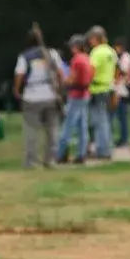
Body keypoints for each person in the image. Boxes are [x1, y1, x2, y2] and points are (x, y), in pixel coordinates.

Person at [14, 31, 65, 169]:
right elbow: (60, 73)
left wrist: (17, 91)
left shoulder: (25, 56)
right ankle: (50, 160)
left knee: (31, 131)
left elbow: (19, 75)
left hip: (31, 96)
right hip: (50, 95)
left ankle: (31, 162)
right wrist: (59, 90)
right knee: (52, 130)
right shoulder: (52, 54)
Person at [56, 34, 94, 165]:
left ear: (76, 47)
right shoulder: (87, 58)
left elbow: (71, 79)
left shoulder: (76, 60)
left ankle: (60, 154)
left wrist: (62, 81)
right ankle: (81, 154)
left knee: (68, 125)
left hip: (76, 94)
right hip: (86, 94)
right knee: (82, 126)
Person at [85, 25, 117, 161]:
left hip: (96, 88)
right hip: (107, 88)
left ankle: (103, 150)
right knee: (103, 119)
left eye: (91, 39)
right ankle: (106, 147)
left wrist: (85, 82)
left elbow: (91, 70)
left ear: (95, 38)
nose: (89, 42)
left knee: (98, 121)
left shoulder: (97, 52)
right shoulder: (111, 52)